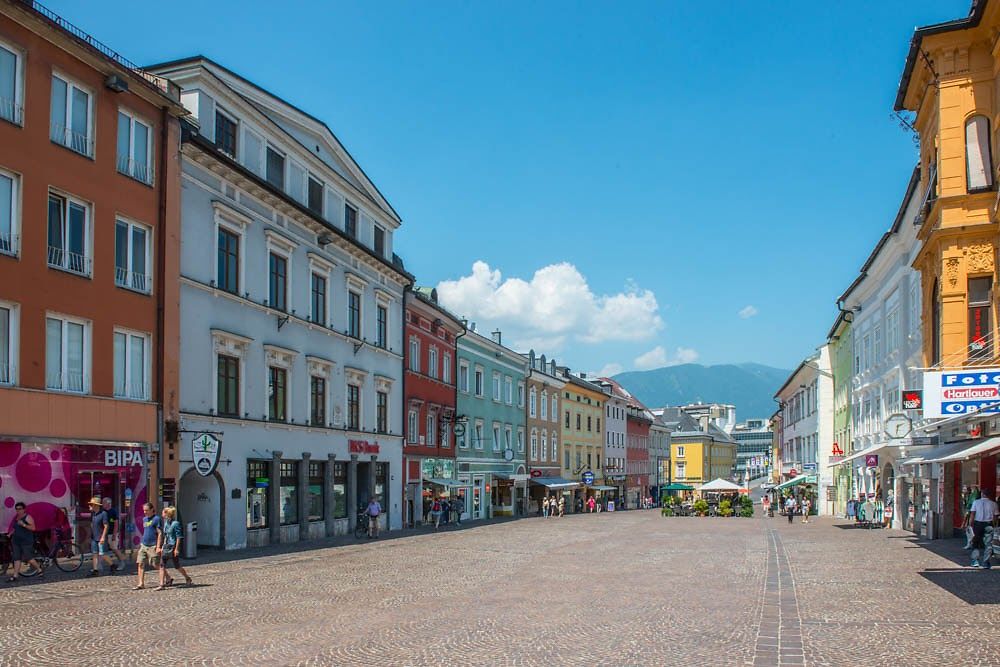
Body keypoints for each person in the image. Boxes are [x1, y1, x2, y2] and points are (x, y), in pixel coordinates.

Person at [157, 506, 192, 590]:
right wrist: (162, 546)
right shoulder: (166, 523)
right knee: (162, 565)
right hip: (166, 546)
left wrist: (176, 549)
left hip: (172, 546)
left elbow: (179, 537)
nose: (162, 514)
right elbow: (166, 536)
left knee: (177, 566)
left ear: (166, 514)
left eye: (163, 512)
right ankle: (161, 584)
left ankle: (187, 577)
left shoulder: (175, 524)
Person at [6, 502, 41, 582]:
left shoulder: (28, 517)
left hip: (26, 541)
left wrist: (24, 525)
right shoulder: (17, 517)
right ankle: (15, 576)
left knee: (29, 558)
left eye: (20, 509)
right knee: (16, 558)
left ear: (24, 509)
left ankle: (39, 569)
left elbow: (33, 528)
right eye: (17, 509)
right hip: (16, 541)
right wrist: (10, 534)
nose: (18, 510)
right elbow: (15, 528)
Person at [133, 502, 162, 590]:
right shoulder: (145, 519)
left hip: (152, 545)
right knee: (140, 563)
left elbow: (160, 533)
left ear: (152, 509)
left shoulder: (157, 519)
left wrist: (158, 546)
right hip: (144, 544)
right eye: (144, 510)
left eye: (146, 510)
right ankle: (141, 583)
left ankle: (167, 577)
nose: (145, 512)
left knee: (155, 564)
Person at [87, 497, 119, 577]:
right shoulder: (93, 514)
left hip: (101, 537)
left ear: (96, 505)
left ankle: (112, 565)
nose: (89, 506)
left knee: (103, 554)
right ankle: (95, 570)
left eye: (91, 504)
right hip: (94, 537)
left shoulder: (103, 514)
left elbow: (106, 526)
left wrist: (103, 537)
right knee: (94, 554)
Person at [969, 489, 998, 569]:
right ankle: (986, 562)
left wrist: (970, 524)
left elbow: (972, 514)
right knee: (988, 544)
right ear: (988, 495)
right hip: (989, 525)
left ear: (982, 494)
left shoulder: (976, 502)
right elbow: (995, 517)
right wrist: (995, 525)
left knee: (976, 542)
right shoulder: (993, 504)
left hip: (978, 524)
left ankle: (975, 561)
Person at [102, 497, 127, 568]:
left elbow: (116, 524)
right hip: (106, 533)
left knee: (114, 548)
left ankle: (122, 562)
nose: (102, 504)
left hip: (112, 533)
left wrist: (114, 534)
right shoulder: (103, 511)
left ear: (108, 503)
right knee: (110, 548)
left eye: (104, 502)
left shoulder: (113, 512)